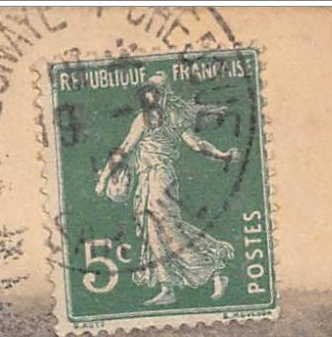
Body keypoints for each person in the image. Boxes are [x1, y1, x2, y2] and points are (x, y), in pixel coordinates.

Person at [96, 73, 239, 306]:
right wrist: (222, 155)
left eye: (154, 89)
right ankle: (169, 286)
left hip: (157, 178)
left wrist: (103, 179)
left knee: (167, 231)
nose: (150, 93)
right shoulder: (172, 117)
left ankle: (212, 270)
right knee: (162, 229)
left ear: (161, 93)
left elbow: (124, 149)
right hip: (157, 179)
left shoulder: (147, 119)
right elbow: (196, 145)